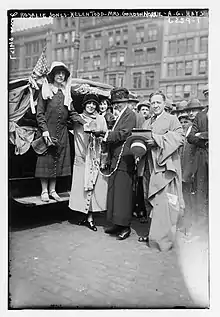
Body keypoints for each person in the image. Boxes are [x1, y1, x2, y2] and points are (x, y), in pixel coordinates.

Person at [137, 91, 184, 251]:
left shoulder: (171, 119)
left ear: (164, 104)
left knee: (164, 202)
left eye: (158, 102)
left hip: (164, 166)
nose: (155, 106)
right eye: (153, 103)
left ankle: (164, 239)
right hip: (148, 165)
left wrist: (157, 139)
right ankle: (153, 234)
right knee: (150, 200)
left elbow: (180, 137)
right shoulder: (146, 122)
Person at [35, 61, 85, 202]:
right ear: (53, 75)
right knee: (46, 161)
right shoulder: (45, 90)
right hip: (47, 131)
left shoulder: (66, 92)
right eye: (58, 73)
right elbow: (39, 114)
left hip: (61, 132)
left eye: (63, 74)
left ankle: (53, 190)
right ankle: (44, 191)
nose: (60, 76)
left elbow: (72, 112)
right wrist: (44, 131)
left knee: (56, 161)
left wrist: (85, 123)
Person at [69, 93, 108, 231]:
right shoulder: (77, 119)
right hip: (81, 158)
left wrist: (103, 158)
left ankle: (90, 217)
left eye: (94, 104)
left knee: (93, 187)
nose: (91, 106)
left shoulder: (100, 119)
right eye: (88, 103)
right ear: (84, 105)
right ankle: (83, 215)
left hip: (95, 158)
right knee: (82, 188)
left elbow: (105, 138)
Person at [103, 88, 136, 240]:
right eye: (116, 103)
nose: (117, 105)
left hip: (124, 158)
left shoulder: (130, 115)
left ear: (127, 102)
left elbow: (124, 134)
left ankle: (125, 226)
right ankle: (117, 223)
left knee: (123, 194)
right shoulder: (120, 115)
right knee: (115, 193)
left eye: (121, 102)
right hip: (116, 158)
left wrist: (105, 135)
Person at [187, 85, 209, 218]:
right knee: (201, 191)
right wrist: (204, 141)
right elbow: (190, 136)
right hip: (202, 156)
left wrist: (204, 134)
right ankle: (201, 225)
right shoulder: (201, 115)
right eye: (207, 95)